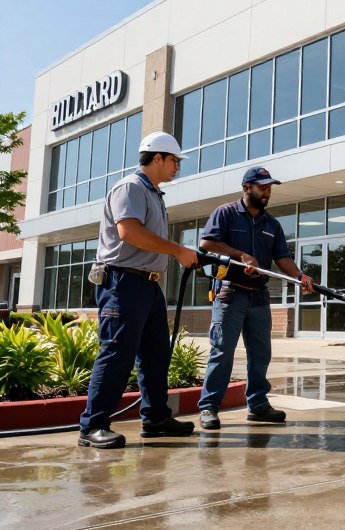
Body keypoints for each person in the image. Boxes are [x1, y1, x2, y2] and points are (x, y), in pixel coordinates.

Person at [78, 132, 199, 449]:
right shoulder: (130, 187)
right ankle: (92, 426)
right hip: (123, 283)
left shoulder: (154, 193)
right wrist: (177, 250)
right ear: (157, 158)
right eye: (174, 160)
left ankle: (156, 419)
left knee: (156, 355)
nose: (177, 167)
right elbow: (129, 231)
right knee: (117, 353)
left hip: (148, 285)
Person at [197, 167, 314, 429]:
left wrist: (300, 275)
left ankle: (258, 405)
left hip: (260, 296)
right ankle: (209, 407)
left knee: (261, 353)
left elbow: (282, 257)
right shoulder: (226, 213)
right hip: (230, 292)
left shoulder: (271, 224)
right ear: (247, 188)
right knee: (222, 352)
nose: (267, 192)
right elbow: (207, 244)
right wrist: (241, 256)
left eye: (269, 188)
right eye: (263, 187)